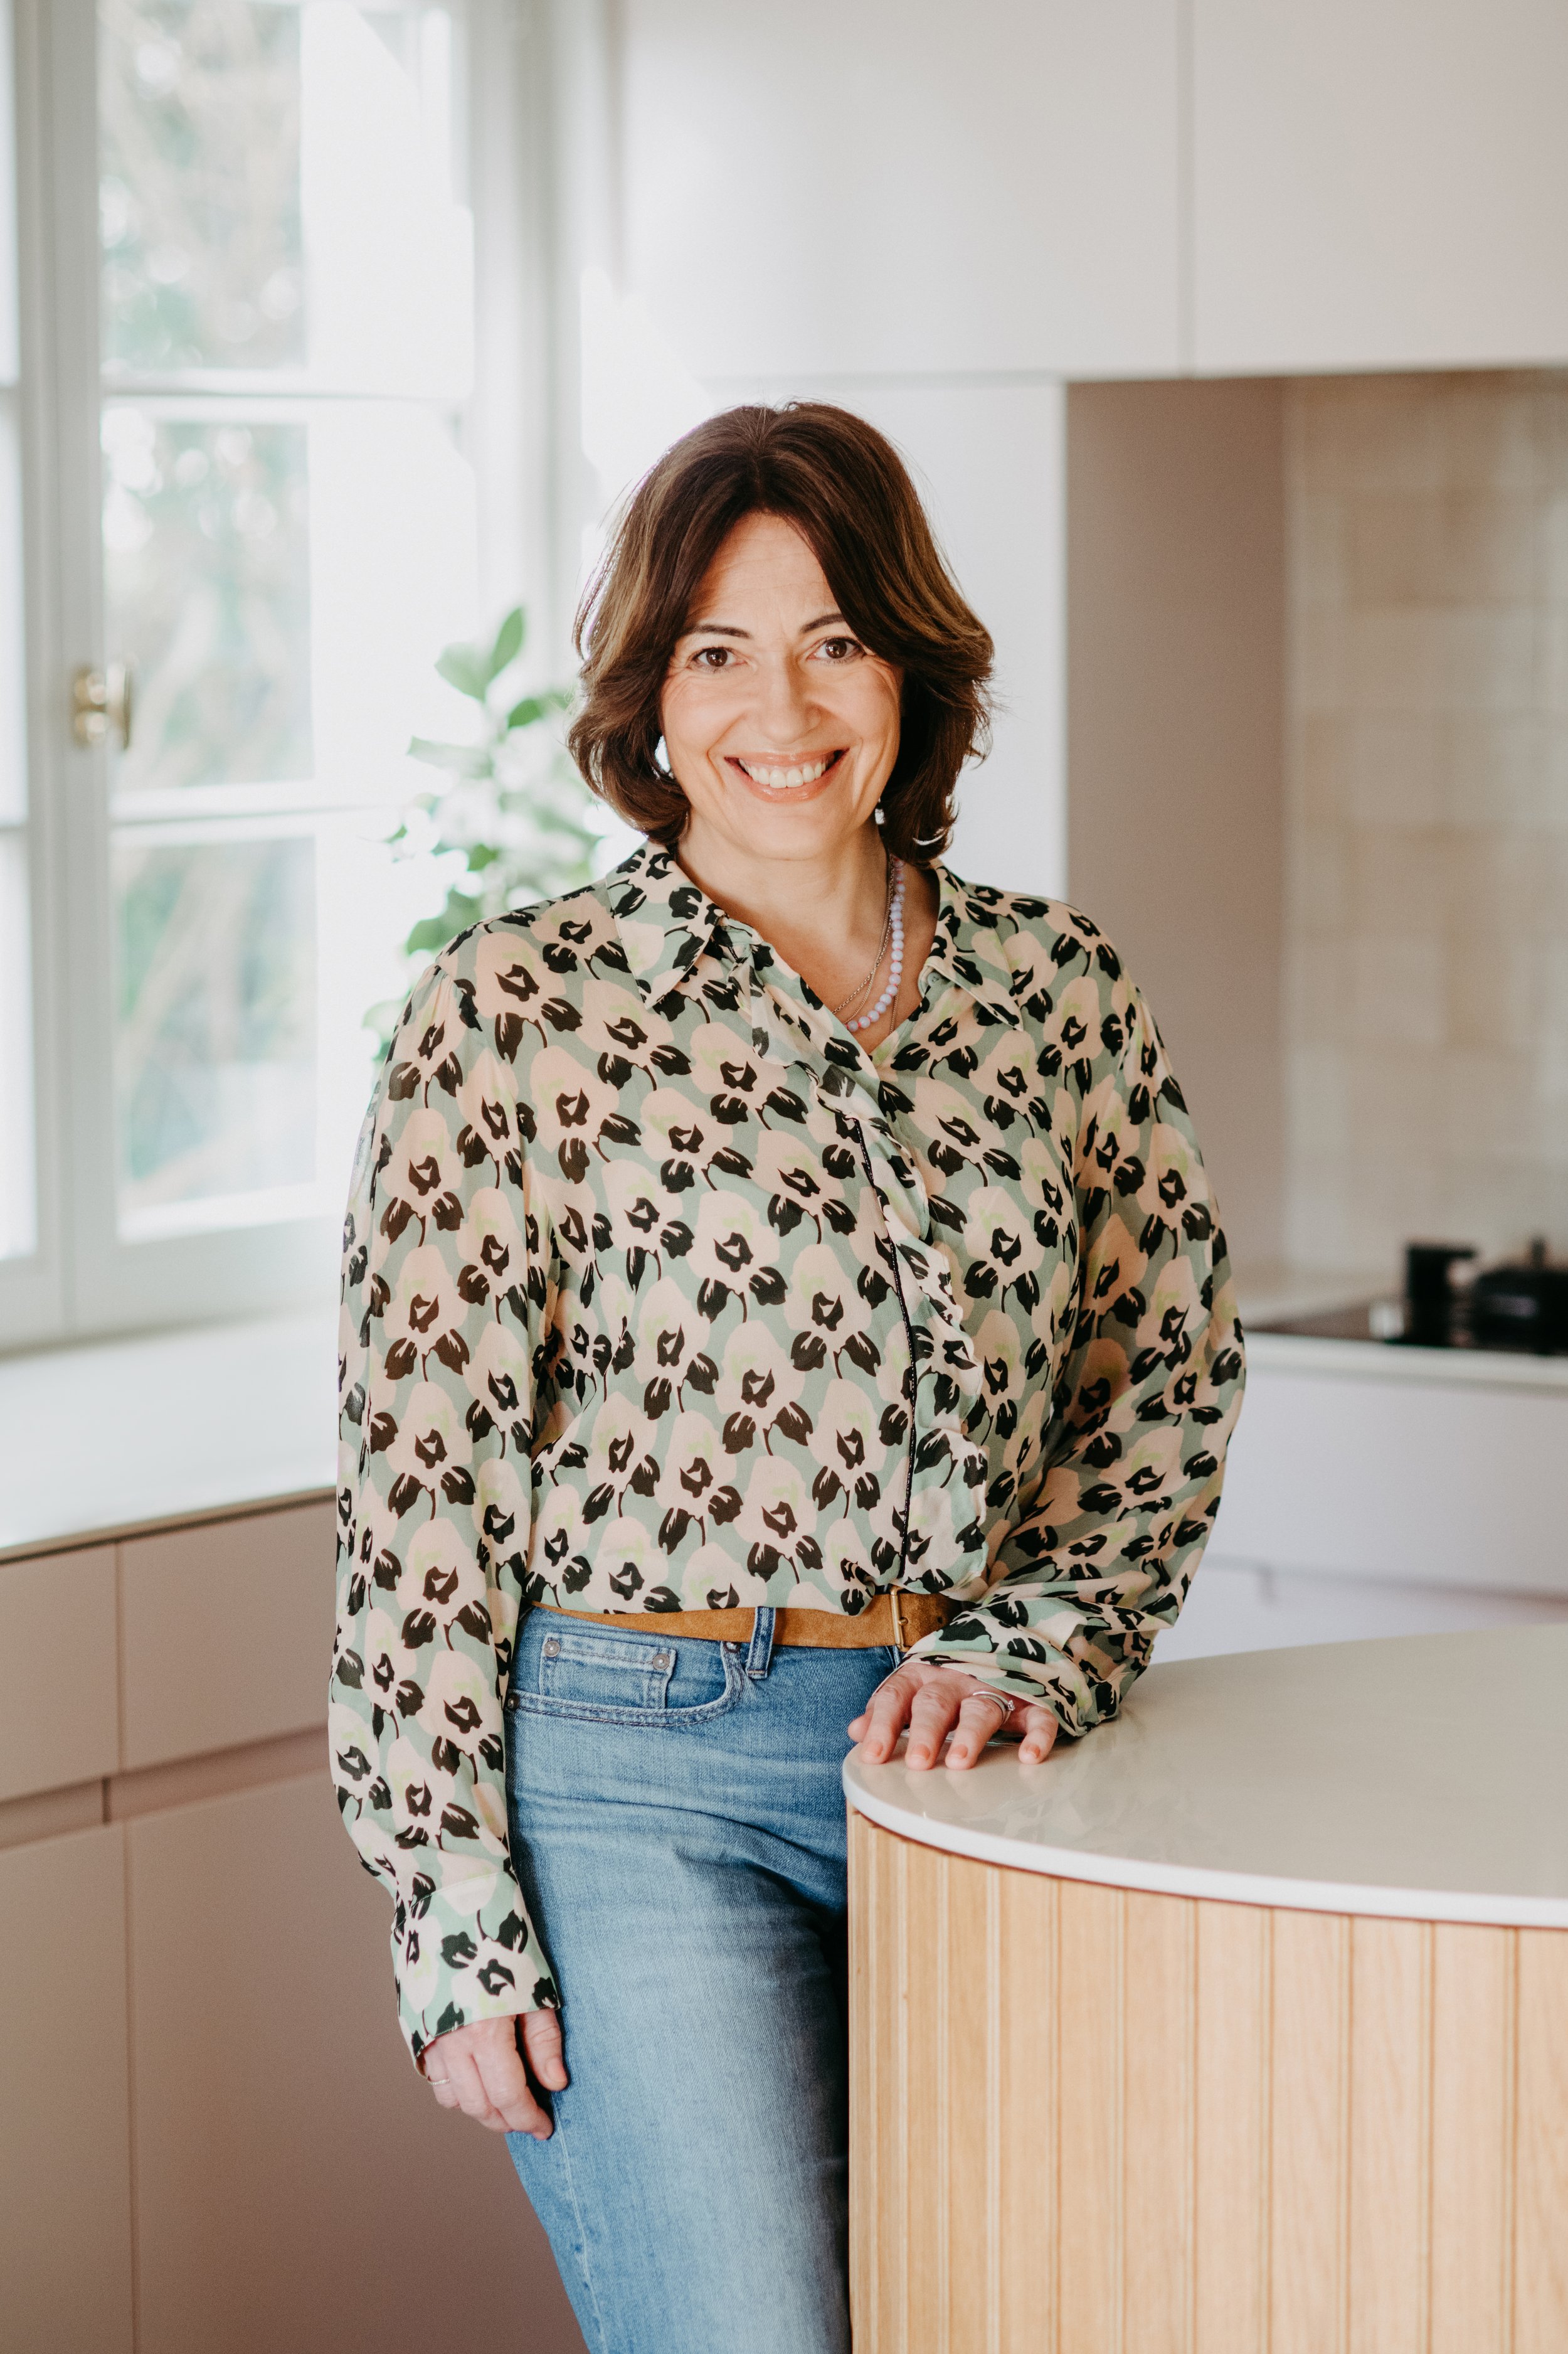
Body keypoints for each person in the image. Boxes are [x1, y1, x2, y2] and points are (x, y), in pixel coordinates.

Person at [331, 402, 1245, 2354]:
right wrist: (444, 1907)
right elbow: (422, 1484)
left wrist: (1041, 1639)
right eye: (716, 651)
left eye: (833, 639)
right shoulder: (516, 1013)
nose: (782, 706)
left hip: (990, 1778)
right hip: (632, 1769)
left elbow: (1159, 1379)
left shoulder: (1054, 992)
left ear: (908, 663)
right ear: (649, 696)